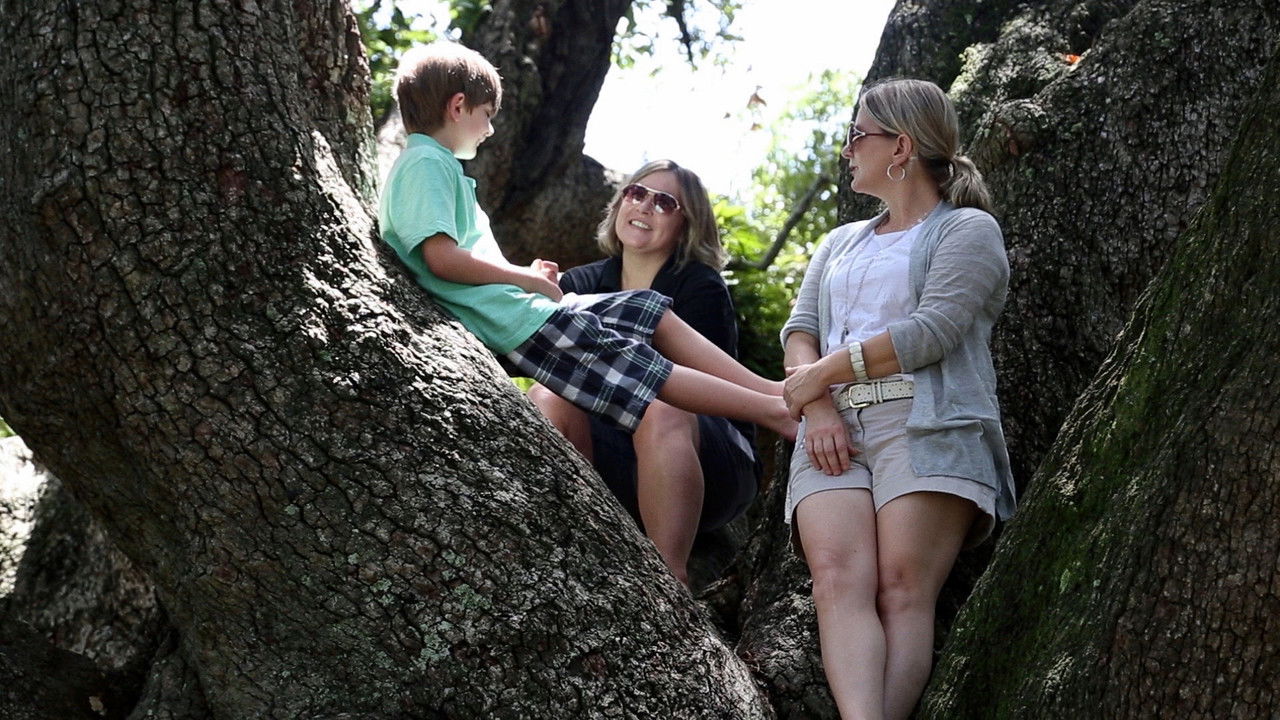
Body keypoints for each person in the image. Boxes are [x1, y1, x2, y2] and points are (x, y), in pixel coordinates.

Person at [378, 43, 796, 468]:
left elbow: (457, 255)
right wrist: (524, 279)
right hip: (516, 321)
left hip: (521, 312)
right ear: (458, 106)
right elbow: (442, 259)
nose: (489, 130)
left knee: (645, 309)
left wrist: (525, 276)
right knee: (641, 369)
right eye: (487, 115)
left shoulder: (434, 165)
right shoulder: (426, 165)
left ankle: (770, 389)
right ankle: (773, 411)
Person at [779, 78, 1016, 719]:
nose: (848, 148)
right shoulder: (838, 244)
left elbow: (931, 332)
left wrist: (824, 373)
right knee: (836, 582)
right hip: (830, 429)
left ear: (901, 146)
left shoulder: (968, 230)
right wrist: (821, 405)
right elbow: (799, 332)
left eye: (859, 135)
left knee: (902, 589)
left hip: (927, 420)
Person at [528, 160, 760, 585]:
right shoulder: (584, 281)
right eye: (636, 193)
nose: (645, 206)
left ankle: (669, 584)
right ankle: (581, 542)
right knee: (546, 395)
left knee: (658, 401)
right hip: (616, 454)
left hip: (710, 460)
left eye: (665, 202)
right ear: (619, 204)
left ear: (686, 225)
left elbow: (698, 391)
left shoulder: (699, 286)